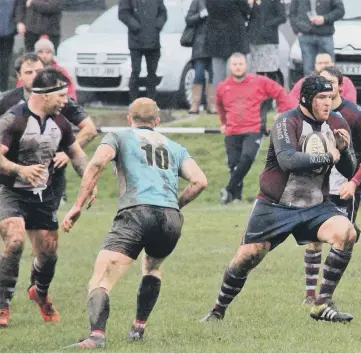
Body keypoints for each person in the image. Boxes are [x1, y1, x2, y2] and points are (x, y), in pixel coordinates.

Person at [201, 75, 359, 324]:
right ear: (306, 99)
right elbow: (287, 160)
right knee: (247, 257)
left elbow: (349, 171)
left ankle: (322, 303)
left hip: (316, 206)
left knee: (347, 233)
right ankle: (218, 311)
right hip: (276, 206)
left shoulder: (336, 122)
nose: (328, 103)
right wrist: (330, 157)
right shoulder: (287, 122)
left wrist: (344, 150)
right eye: (321, 98)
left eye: (330, 97)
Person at [62, 98, 208, 348]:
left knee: (101, 279)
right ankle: (138, 328)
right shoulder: (174, 146)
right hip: (170, 219)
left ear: (129, 119)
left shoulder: (119, 137)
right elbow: (200, 181)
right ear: (158, 121)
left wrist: (77, 205)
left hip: (136, 213)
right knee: (152, 268)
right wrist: (175, 205)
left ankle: (96, 337)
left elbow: (97, 162)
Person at [0, 68, 95, 327]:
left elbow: (76, 155)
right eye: (62, 95)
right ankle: (2, 304)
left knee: (49, 254)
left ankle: (39, 293)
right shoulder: (13, 119)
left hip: (43, 195)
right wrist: (20, 169)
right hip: (11, 192)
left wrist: (90, 181)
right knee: (15, 241)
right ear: (45, 95)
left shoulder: (60, 123)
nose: (66, 100)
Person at [301, 65, 361, 304]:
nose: (326, 88)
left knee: (343, 239)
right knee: (314, 239)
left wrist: (354, 182)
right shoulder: (310, 114)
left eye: (331, 84)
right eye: (321, 82)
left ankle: (326, 295)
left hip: (345, 188)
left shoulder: (354, 114)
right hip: (319, 187)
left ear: (341, 87)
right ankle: (310, 295)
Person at [0, 53, 97, 206]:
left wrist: (66, 153)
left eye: (38, 72)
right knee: (12, 225)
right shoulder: (6, 101)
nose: (34, 76)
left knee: (44, 228)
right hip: (11, 175)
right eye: (28, 72)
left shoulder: (61, 100)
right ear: (19, 75)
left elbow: (90, 129)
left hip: (49, 175)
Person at [217, 53, 292, 204]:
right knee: (233, 164)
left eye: (240, 64)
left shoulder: (260, 82)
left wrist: (282, 112)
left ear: (246, 65)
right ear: (230, 67)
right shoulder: (223, 87)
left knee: (246, 158)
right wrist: (224, 123)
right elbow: (220, 107)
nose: (238, 67)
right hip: (232, 131)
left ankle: (228, 189)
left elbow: (280, 93)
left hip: (253, 130)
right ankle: (235, 198)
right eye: (235, 64)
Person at [118, 0, 167, 102]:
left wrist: (157, 25)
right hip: (136, 41)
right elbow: (123, 13)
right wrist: (135, 26)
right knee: (136, 71)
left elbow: (163, 12)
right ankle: (133, 102)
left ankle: (151, 101)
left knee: (152, 73)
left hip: (153, 40)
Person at [247, 0, 287, 124]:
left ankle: (270, 102)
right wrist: (249, 5)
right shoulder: (250, 2)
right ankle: (258, 102)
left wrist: (267, 24)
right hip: (254, 41)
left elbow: (282, 17)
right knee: (257, 74)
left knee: (270, 74)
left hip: (269, 40)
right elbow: (244, 16)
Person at [289, 0, 345, 76]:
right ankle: (312, 87)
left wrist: (324, 19)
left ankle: (329, 87)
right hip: (305, 36)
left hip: (325, 35)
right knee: (309, 71)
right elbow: (292, 12)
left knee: (329, 70)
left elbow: (340, 11)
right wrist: (297, 30)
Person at [205, 0, 250, 90]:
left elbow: (209, 9)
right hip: (235, 37)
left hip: (216, 38)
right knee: (237, 71)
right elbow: (246, 9)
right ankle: (234, 100)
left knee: (218, 74)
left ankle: (220, 100)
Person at [185, 0, 215, 114]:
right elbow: (188, 19)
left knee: (214, 76)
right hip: (200, 46)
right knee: (198, 74)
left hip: (215, 44)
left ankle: (212, 105)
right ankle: (195, 104)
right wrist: (200, 15)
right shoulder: (198, 2)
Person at [289, 53, 357, 104]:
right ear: (315, 65)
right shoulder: (305, 82)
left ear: (333, 64)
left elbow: (351, 103)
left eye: (326, 63)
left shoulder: (346, 82)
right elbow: (291, 100)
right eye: (320, 63)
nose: (323, 66)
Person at [0, 0, 24, 92]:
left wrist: (18, 22)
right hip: (8, 29)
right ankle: (3, 89)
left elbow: (18, 7)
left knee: (4, 62)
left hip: (7, 31)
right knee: (5, 61)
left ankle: (2, 89)